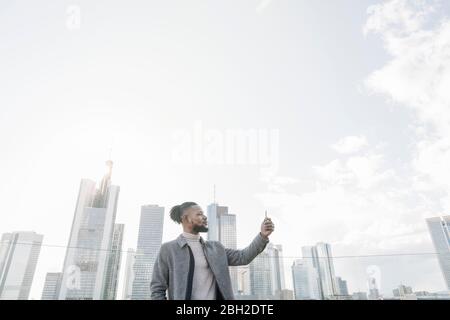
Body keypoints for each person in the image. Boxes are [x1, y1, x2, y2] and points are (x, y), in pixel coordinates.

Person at [150, 202, 275, 300]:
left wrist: (262, 236)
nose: (204, 217)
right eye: (199, 214)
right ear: (186, 218)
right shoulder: (168, 249)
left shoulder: (216, 248)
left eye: (203, 213)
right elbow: (157, 288)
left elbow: (243, 257)